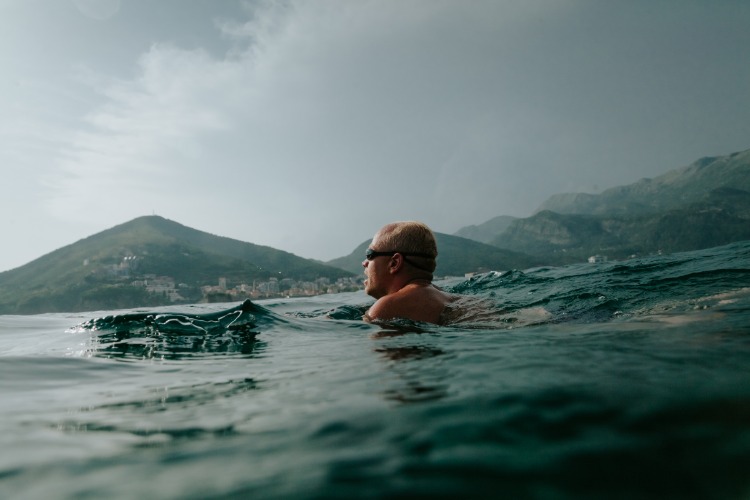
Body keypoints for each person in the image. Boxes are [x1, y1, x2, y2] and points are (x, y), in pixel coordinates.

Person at [362, 221, 454, 325]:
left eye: (369, 254)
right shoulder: (446, 297)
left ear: (394, 263)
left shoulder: (387, 307)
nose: (364, 263)